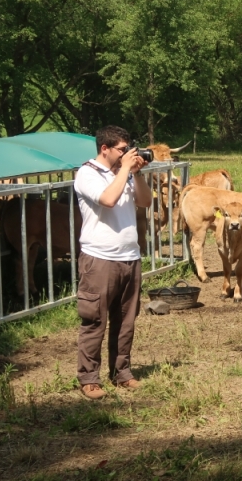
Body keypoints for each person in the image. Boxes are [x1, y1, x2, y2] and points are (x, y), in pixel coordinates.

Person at [74, 126, 152, 399]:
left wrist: (137, 173)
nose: (127, 154)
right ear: (104, 148)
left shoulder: (126, 174)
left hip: (130, 257)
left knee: (126, 320)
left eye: (128, 148)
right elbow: (107, 199)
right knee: (95, 319)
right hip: (100, 259)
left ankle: (122, 373)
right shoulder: (87, 173)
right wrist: (123, 172)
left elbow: (145, 201)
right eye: (122, 149)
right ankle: (89, 378)